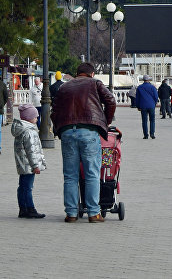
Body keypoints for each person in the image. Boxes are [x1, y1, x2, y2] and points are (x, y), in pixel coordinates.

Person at [51, 62, 116, 223]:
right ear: (92, 74)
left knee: (70, 175)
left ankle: (71, 213)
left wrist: (59, 128)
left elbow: (54, 110)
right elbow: (111, 100)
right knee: (92, 173)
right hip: (89, 131)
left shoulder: (64, 87)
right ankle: (94, 213)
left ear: (77, 73)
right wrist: (104, 122)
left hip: (67, 132)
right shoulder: (95, 83)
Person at [12, 104, 46, 219]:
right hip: (29, 165)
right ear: (29, 118)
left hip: (22, 164)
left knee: (22, 186)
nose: (37, 119)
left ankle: (22, 208)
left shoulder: (20, 129)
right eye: (36, 117)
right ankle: (30, 208)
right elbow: (31, 150)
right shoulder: (29, 132)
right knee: (27, 187)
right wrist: (35, 165)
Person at [135, 75, 159, 139]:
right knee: (152, 120)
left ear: (143, 80)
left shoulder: (139, 87)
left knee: (144, 121)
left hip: (143, 105)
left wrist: (138, 106)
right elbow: (156, 96)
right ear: (148, 80)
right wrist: (154, 103)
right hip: (151, 105)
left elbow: (137, 98)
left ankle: (145, 135)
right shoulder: (152, 87)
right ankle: (152, 134)